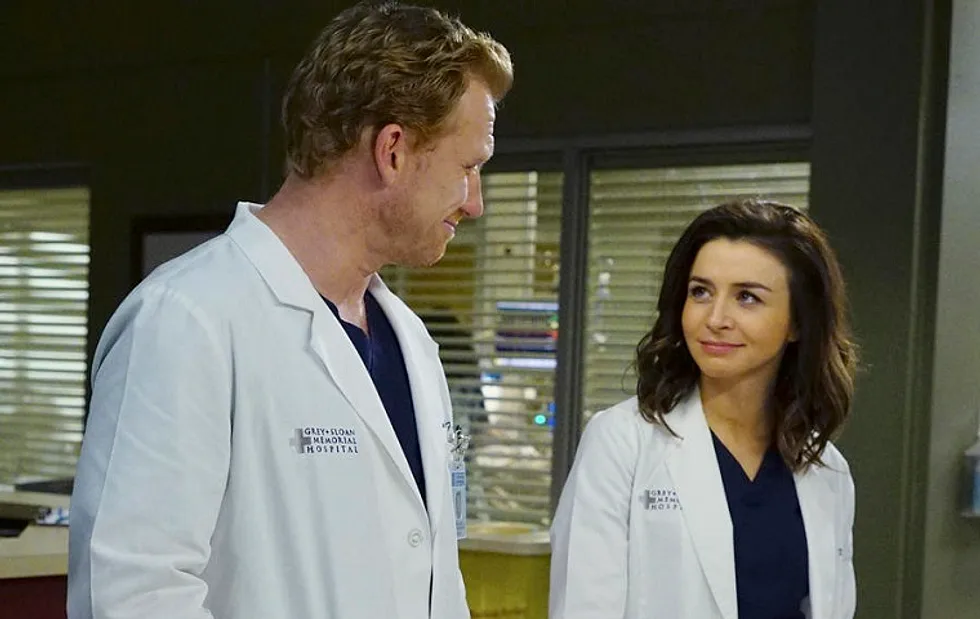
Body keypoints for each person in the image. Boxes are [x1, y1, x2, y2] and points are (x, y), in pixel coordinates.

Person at [67, 2, 512, 618]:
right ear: (392, 150)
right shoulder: (187, 321)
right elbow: (133, 594)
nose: (476, 203)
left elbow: (435, 575)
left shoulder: (411, 342)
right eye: (468, 167)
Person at [549, 199, 858, 619]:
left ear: (798, 323)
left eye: (747, 297)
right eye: (700, 292)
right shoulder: (622, 443)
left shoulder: (828, 472)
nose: (715, 318)